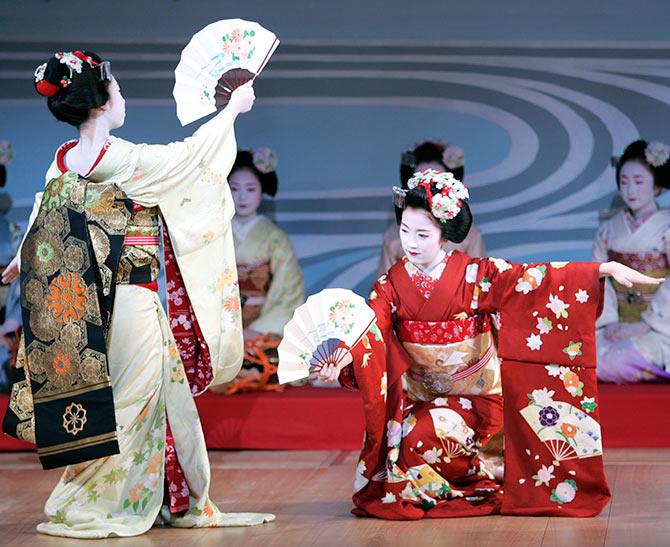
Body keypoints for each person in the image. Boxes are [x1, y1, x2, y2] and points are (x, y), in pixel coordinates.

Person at [1, 50, 273, 538]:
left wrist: (23, 259)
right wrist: (232, 111)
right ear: (102, 103)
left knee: (142, 397)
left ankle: (162, 494)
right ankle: (91, 501)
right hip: (128, 298)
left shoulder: (64, 160)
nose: (122, 95)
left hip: (89, 302)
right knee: (137, 399)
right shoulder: (122, 159)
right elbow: (189, 159)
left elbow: (46, 216)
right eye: (118, 89)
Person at [318, 169, 662, 519]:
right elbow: (370, 327)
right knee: (406, 438)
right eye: (405, 231)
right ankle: (459, 484)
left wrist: (601, 270)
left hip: (478, 399)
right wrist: (345, 356)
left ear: (445, 235)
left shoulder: (476, 274)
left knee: (420, 436)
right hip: (420, 398)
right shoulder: (390, 284)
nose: (412, 242)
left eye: (423, 233)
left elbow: (533, 279)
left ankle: (482, 473)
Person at [210, 148, 304, 393]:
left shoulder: (274, 238)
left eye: (250, 189)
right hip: (222, 322)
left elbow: (288, 290)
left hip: (262, 322)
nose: (242, 197)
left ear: (262, 191)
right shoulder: (213, 234)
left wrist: (257, 329)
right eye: (234, 188)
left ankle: (249, 368)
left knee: (273, 356)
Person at [594, 139, 670, 382]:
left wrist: (645, 324)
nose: (631, 190)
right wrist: (609, 325)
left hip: (657, 327)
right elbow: (600, 281)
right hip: (617, 326)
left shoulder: (667, 227)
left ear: (657, 186)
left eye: (639, 182)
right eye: (624, 182)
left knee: (620, 360)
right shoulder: (608, 231)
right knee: (584, 355)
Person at [377, 141, 486, 277]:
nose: (427, 188)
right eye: (420, 182)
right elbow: (383, 285)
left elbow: (479, 284)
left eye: (435, 182)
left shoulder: (469, 234)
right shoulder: (394, 234)